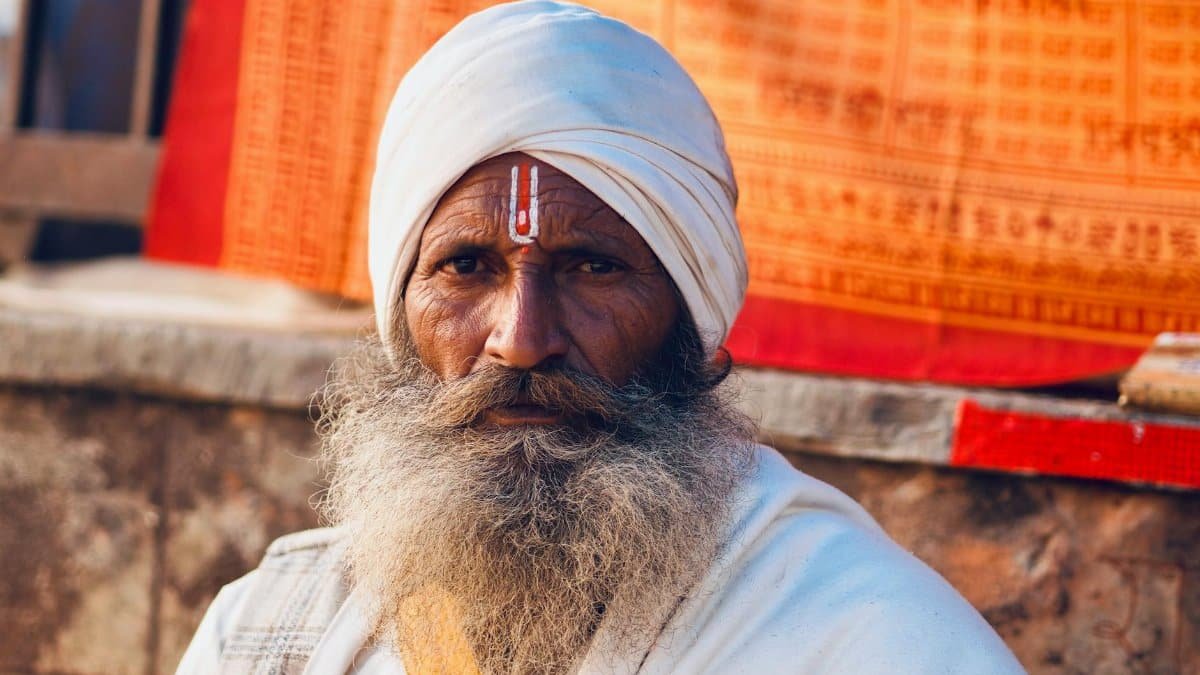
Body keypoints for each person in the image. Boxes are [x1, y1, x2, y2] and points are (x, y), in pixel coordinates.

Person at [177, 2, 1026, 673]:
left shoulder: (867, 642)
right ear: (401, 316)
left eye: (592, 268)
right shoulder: (270, 635)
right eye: (467, 266)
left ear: (690, 329)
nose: (522, 339)